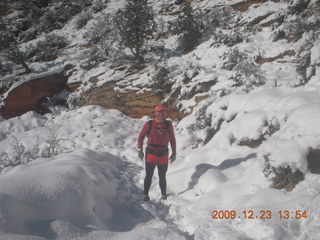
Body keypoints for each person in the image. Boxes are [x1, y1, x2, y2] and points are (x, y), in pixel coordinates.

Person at [138, 104, 177, 201]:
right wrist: (140, 150)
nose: (160, 114)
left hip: (163, 155)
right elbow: (141, 136)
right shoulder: (149, 124)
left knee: (162, 176)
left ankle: (163, 195)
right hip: (151, 154)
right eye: (158, 112)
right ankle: (145, 195)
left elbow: (172, 139)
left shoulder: (168, 125)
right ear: (155, 113)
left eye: (163, 112)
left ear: (165, 113)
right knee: (149, 176)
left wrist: (174, 152)